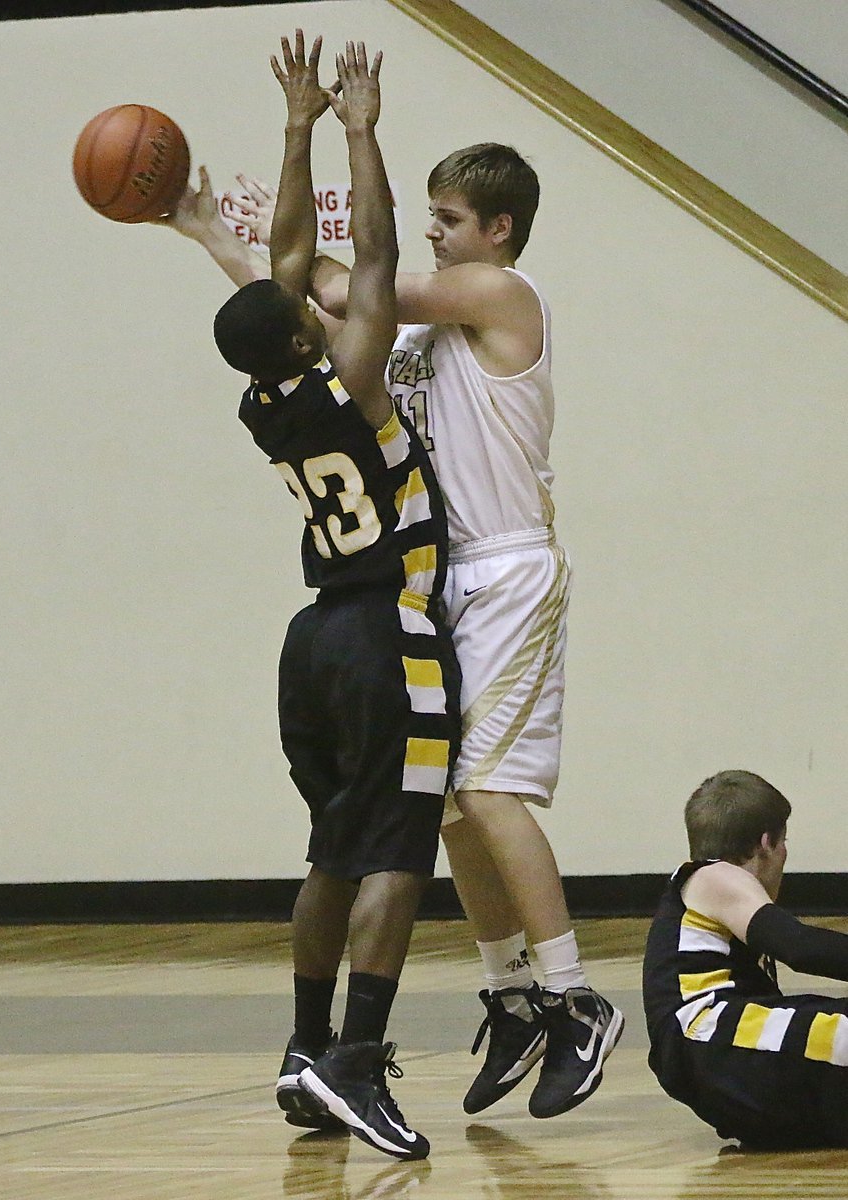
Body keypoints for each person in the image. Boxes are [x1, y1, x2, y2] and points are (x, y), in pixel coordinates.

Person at [164, 123, 622, 1119]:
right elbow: (310, 302)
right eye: (429, 218)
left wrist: (281, 193)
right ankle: (510, 992)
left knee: (489, 791)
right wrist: (238, 249)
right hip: (435, 582)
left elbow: (338, 284)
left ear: (499, 229)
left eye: (451, 221)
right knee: (449, 802)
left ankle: (575, 997)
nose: (437, 234)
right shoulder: (405, 344)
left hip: (505, 567)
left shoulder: (501, 292)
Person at [210, 32, 460, 1160]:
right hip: (383, 631)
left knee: (328, 851)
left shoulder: (267, 402)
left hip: (307, 641)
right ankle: (358, 1058)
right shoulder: (350, 375)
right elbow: (369, 255)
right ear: (303, 328)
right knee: (400, 852)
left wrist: (297, 125)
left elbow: (287, 256)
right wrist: (356, 128)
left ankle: (304, 1051)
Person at [642, 769, 848, 1148]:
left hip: (716, 1058)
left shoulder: (703, 888)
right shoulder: (714, 876)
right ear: (767, 843)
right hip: (711, 1039)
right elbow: (799, 947)